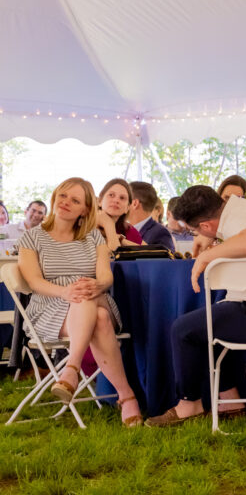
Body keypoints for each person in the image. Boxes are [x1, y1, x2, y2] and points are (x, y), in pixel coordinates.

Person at [145, 186, 246, 426]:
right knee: (211, 324)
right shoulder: (238, 209)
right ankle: (232, 404)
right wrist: (210, 238)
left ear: (206, 225)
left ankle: (189, 405)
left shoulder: (239, 217)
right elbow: (238, 233)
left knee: (183, 330)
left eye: (194, 229)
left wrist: (207, 255)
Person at [16, 178, 141, 426]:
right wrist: (65, 292)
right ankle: (127, 397)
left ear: (85, 209)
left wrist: (98, 284)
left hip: (92, 295)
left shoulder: (94, 237)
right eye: (62, 196)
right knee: (100, 318)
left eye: (75, 200)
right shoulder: (32, 237)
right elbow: (34, 281)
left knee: (87, 298)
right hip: (50, 303)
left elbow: (106, 276)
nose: (66, 203)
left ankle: (70, 371)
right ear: (54, 197)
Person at [128, 181, 175, 251]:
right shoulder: (122, 230)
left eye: (123, 198)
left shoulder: (160, 233)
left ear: (135, 203)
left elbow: (166, 261)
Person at [97, 179, 142, 249]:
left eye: (122, 198)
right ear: (100, 201)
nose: (116, 200)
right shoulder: (86, 226)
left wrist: (120, 239)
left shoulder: (131, 231)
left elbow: (148, 252)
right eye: (111, 195)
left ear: (127, 208)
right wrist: (108, 223)